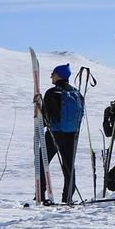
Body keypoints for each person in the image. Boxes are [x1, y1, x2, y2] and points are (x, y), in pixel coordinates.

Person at [39, 63, 84, 204]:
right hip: (72, 134)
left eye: (53, 74)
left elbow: (45, 117)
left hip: (55, 133)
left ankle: (40, 195)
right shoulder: (77, 94)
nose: (51, 76)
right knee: (69, 165)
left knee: (41, 162)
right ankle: (68, 197)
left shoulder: (52, 93)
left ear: (58, 75)